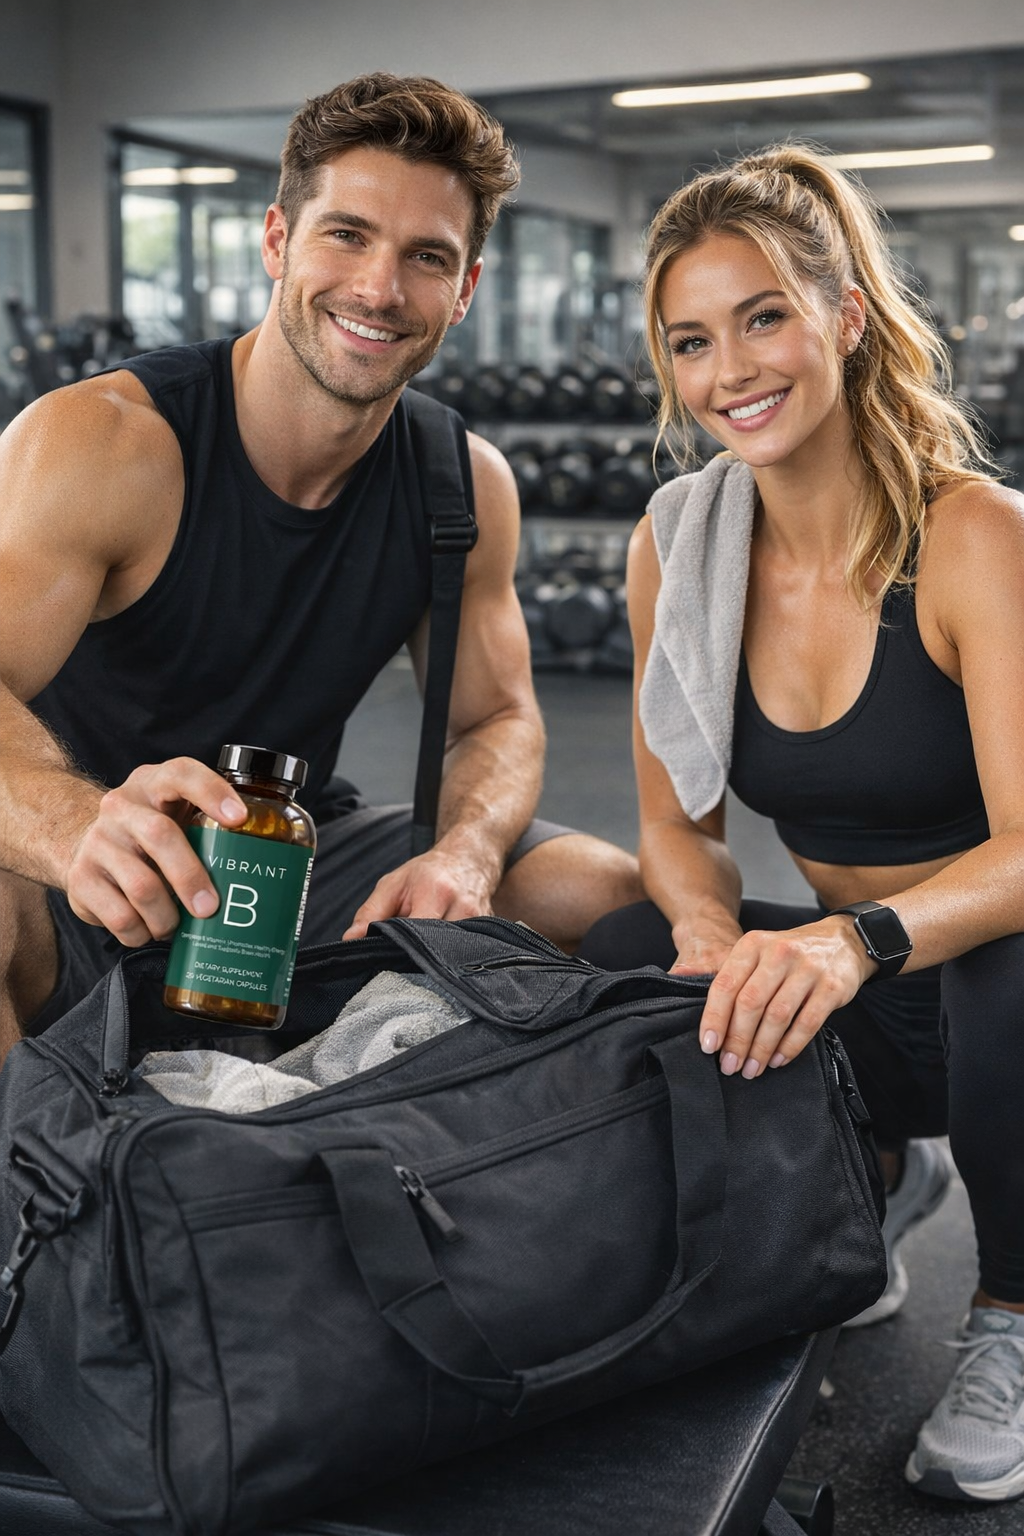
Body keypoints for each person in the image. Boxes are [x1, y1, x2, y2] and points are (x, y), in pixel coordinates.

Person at [0, 72, 641, 1063]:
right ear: (276, 240)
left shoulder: (463, 483)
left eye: (426, 257)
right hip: (83, 882)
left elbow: (496, 716)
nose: (379, 289)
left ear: (464, 289)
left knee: (604, 899)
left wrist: (462, 857)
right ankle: (44, 1200)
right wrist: (77, 823)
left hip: (284, 871)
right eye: (345, 234)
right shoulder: (103, 444)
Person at [577, 145, 1024, 1504]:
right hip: (875, 998)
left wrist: (853, 943)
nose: (731, 373)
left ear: (843, 316)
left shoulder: (973, 538)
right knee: (617, 934)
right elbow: (676, 824)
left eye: (764, 316)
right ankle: (861, 1184)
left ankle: (1012, 1315)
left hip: (986, 987)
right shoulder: (678, 543)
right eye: (692, 340)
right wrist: (712, 924)